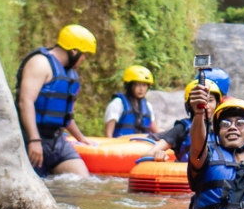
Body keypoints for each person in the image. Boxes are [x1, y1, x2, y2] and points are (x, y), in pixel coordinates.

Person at [15, 24, 96, 178]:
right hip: (30, 138)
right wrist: (34, 140)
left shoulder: (70, 75)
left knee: (82, 181)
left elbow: (67, 116)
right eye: (84, 54)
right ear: (74, 51)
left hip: (57, 141)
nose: (84, 59)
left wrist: (82, 139)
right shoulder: (40, 63)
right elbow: (25, 102)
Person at [148, 79, 222, 162]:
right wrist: (158, 155)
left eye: (210, 100)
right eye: (199, 101)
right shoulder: (182, 128)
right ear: (190, 104)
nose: (206, 106)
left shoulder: (221, 128)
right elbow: (150, 153)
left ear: (217, 103)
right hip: (186, 172)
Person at [104, 65, 157, 137]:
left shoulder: (148, 106)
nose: (141, 89)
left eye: (144, 85)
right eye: (137, 85)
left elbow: (156, 130)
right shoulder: (118, 103)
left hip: (142, 146)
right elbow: (108, 134)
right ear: (129, 86)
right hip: (120, 146)